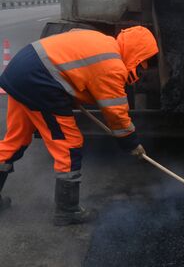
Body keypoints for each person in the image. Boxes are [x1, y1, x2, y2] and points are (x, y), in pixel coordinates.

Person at [0, 26, 158, 225]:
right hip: (39, 81)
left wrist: (70, 88)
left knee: (15, 141)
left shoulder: (102, 41)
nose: (142, 69)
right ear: (137, 53)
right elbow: (116, 114)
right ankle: (67, 211)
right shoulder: (112, 65)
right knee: (69, 146)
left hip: (20, 70)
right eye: (143, 63)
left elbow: (73, 62)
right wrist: (131, 144)